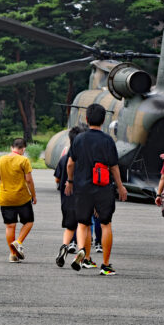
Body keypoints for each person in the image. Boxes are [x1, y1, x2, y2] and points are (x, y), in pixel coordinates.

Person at [65, 104, 128, 276]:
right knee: (105, 224)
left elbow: (70, 163)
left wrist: (70, 181)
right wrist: (121, 187)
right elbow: (114, 167)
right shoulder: (108, 140)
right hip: (103, 187)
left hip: (82, 187)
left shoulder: (79, 139)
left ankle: (82, 253)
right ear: (104, 120)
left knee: (82, 223)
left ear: (87, 119)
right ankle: (106, 265)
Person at [54, 126, 97, 269]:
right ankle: (84, 256)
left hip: (66, 200)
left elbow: (57, 180)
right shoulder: (88, 160)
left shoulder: (64, 159)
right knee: (85, 226)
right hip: (84, 198)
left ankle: (64, 246)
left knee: (69, 227)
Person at [0, 138, 37, 263]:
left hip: (5, 197)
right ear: (23, 149)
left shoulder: (1, 159)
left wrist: (7, 176)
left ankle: (13, 255)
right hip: (22, 198)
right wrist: (33, 195)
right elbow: (29, 180)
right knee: (28, 222)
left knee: (10, 226)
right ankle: (18, 242)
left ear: (11, 147)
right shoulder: (24, 160)